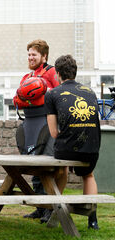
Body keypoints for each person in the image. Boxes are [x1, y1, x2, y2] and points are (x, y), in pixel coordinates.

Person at [45, 54, 101, 230]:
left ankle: (57, 212)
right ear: (75, 73)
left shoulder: (52, 94)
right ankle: (93, 220)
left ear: (58, 74)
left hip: (67, 149)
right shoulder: (90, 91)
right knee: (88, 175)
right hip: (92, 146)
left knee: (62, 169)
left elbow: (54, 132)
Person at [13, 39, 59, 223]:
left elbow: (57, 94)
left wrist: (35, 95)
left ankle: (50, 208)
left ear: (44, 56)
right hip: (30, 122)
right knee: (34, 166)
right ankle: (40, 208)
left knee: (47, 166)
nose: (31, 57)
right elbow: (17, 99)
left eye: (34, 54)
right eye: (29, 54)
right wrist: (32, 96)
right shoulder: (27, 77)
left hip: (47, 123)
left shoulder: (52, 72)